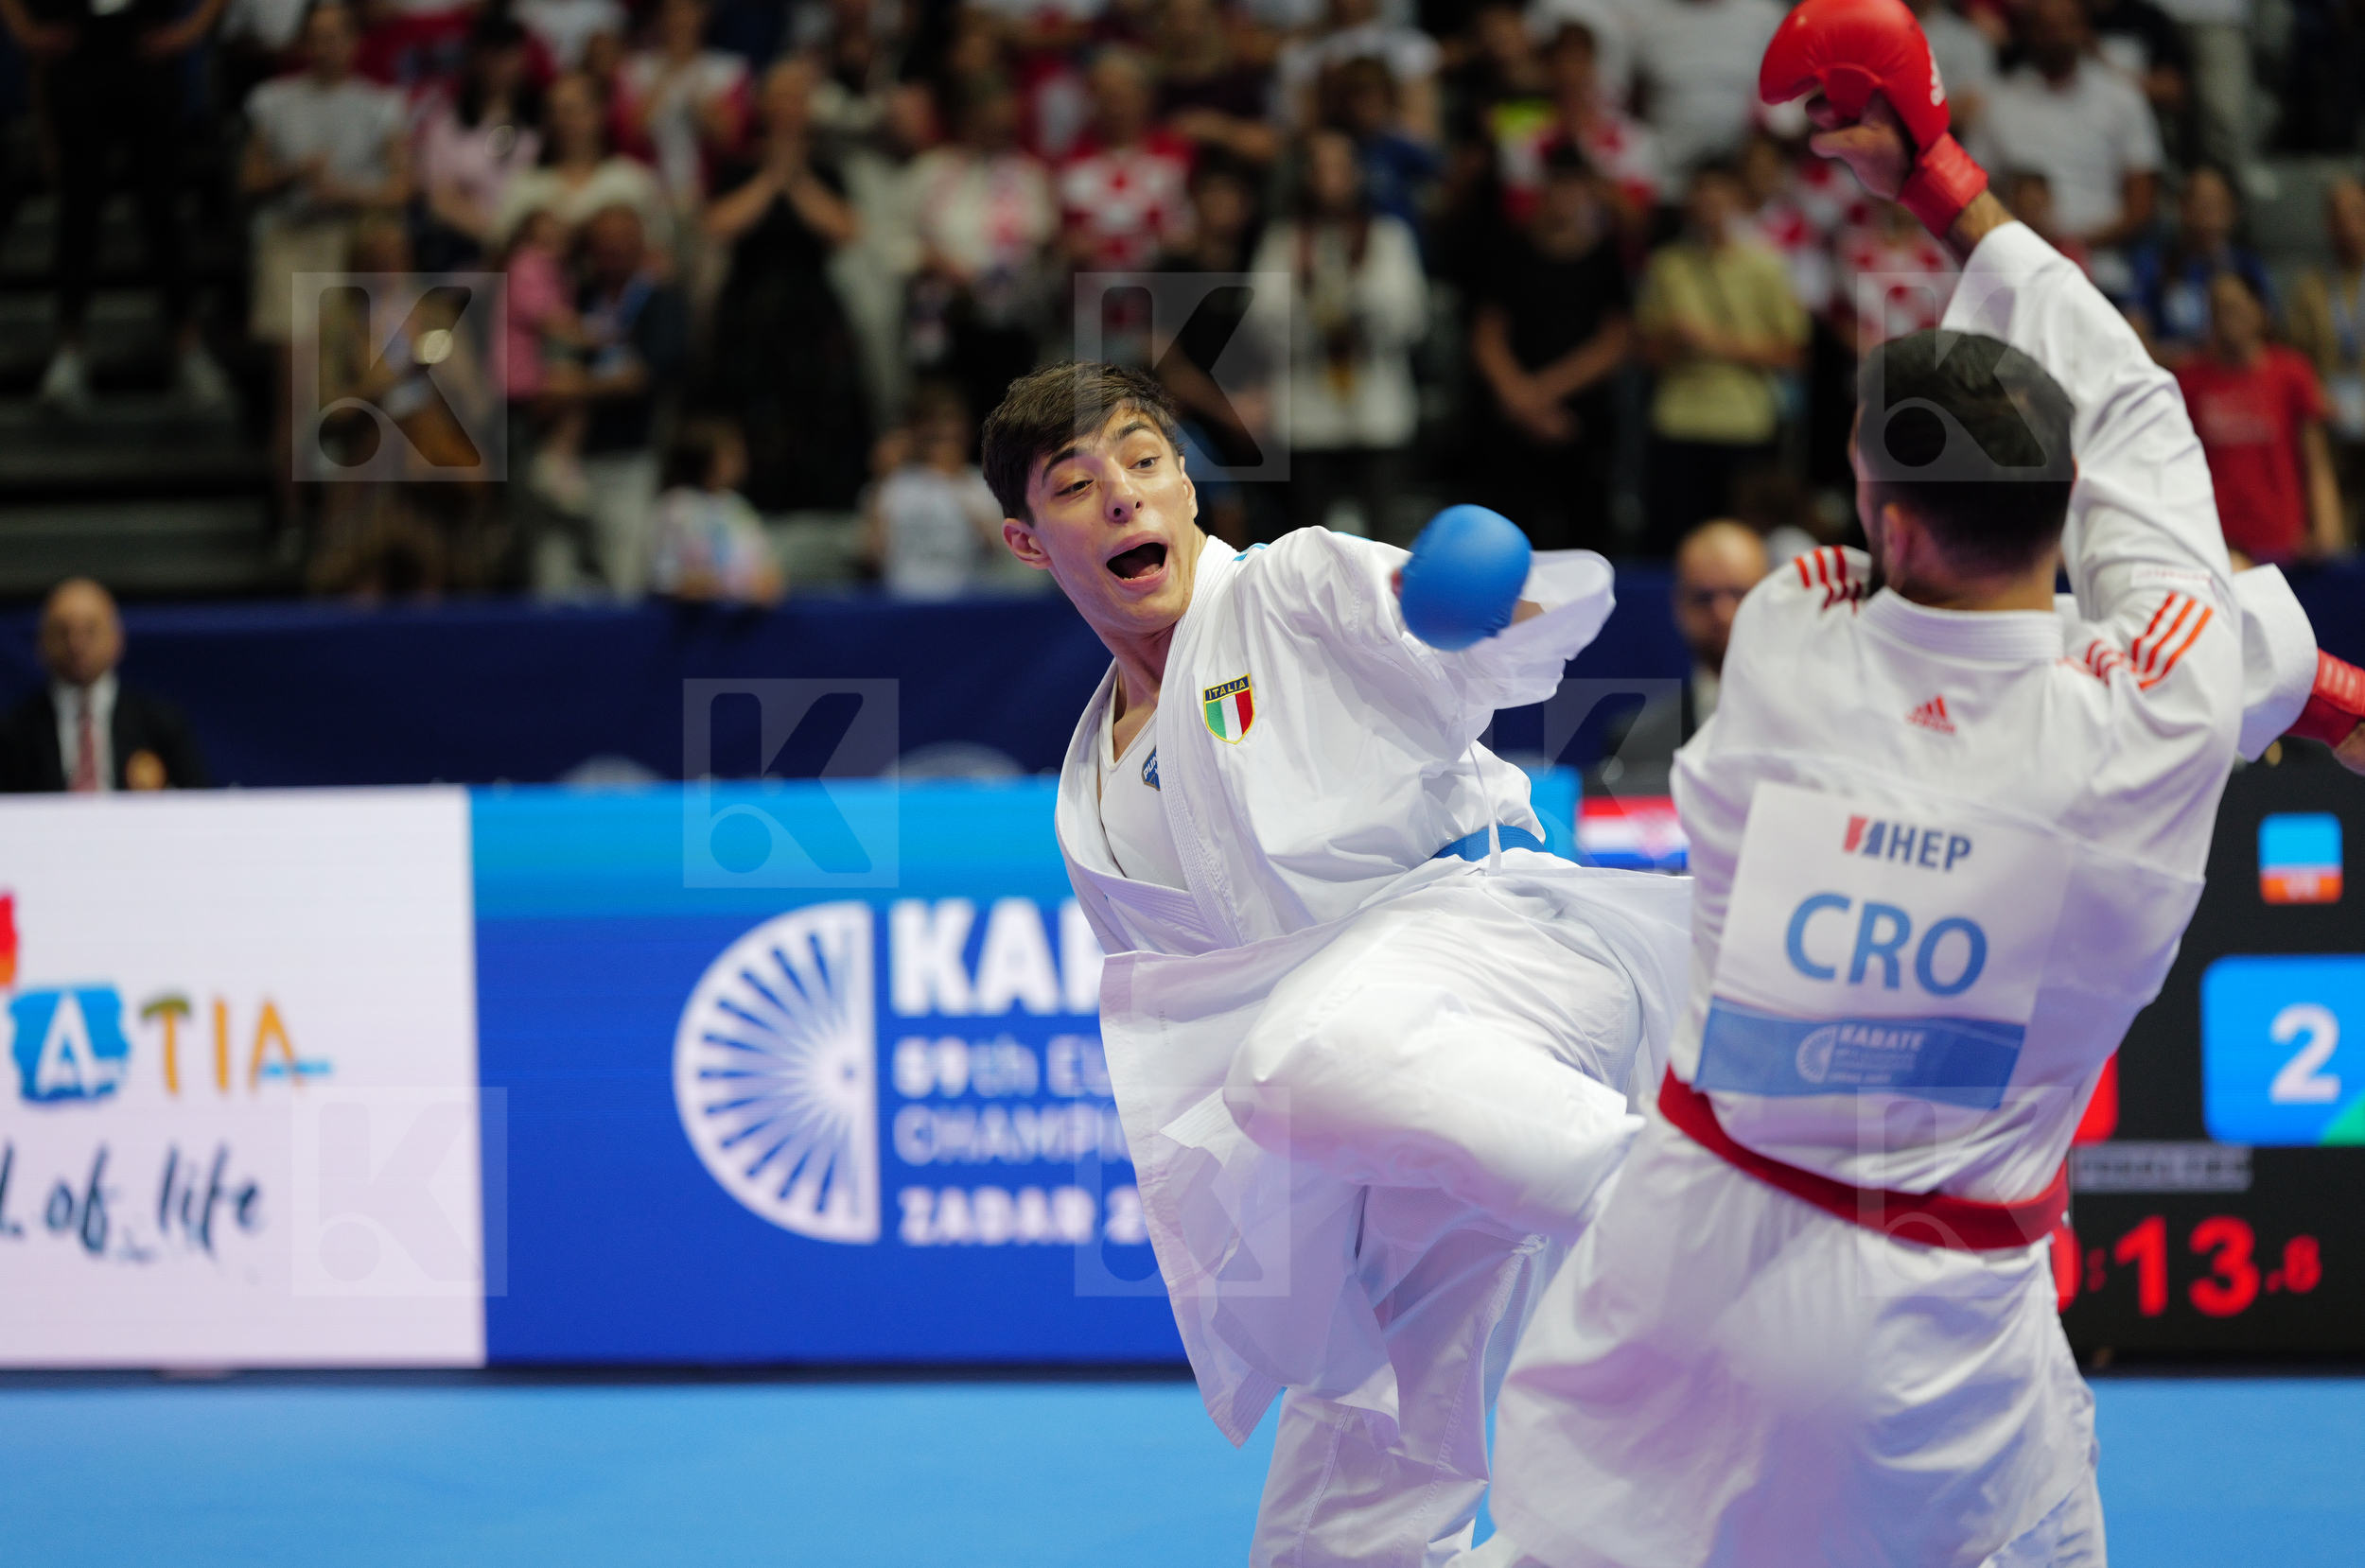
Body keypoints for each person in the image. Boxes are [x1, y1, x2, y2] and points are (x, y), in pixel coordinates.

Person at [1476, 9, 2363, 1563]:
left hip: (1676, 1254)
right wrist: (1944, 172)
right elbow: (2138, 421)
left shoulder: (1783, 630)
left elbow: (2092, 517)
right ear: (2059, 504)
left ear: (1880, 518)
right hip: (1919, 1327)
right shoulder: (2155, 707)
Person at [985, 360, 1692, 1568]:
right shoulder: (1087, 789)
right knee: (1332, 1532)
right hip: (1390, 1103)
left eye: (1145, 461)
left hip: (1494, 953)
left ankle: (1713, 1216)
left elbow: (1432, 626)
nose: (1122, 496)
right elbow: (1199, 1021)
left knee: (1299, 1056)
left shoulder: (1293, 585)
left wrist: (1460, 609)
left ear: (1189, 489)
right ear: (1024, 539)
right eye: (1076, 483)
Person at [703, 57, 869, 516]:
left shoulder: (824, 169)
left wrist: (795, 179)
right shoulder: (739, 166)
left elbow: (845, 229)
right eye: (778, 98)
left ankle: (819, 507)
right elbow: (718, 224)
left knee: (819, 416)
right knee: (750, 415)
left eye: (796, 99)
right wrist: (770, 176)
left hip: (809, 311)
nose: (787, 109)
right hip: (750, 308)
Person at [1246, 128, 1428, 538]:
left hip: (1377, 404)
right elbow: (1260, 321)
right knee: (1308, 539)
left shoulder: (1387, 236)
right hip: (1307, 407)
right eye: (1321, 169)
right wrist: (1311, 311)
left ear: (1358, 175)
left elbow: (1412, 319)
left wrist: (1359, 303)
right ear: (1306, 176)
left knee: (1384, 537)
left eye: (1341, 169)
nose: (1331, 181)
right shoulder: (1284, 240)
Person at [1637, 158, 1808, 550]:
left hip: (1744, 420)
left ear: (1737, 201)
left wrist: (1712, 343)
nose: (1709, 209)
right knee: (1673, 541)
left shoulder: (1766, 264)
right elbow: (1645, 354)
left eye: (1719, 199)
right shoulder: (1667, 265)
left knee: (1746, 543)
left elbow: (1794, 353)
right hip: (1678, 417)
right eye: (1701, 199)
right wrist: (1674, 341)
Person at [1469, 142, 1633, 551]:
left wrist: (1544, 393)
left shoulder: (1606, 257)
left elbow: (1614, 342)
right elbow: (1487, 334)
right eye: (1557, 185)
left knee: (1585, 537)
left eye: (1575, 187)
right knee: (1507, 537)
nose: (1565, 196)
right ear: (1542, 189)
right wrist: (1522, 398)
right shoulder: (1509, 250)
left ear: (1590, 192)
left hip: (1581, 418)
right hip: (1514, 418)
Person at [1971, 0, 2159, 276]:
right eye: (2046, 27)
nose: (2056, 36)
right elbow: (1975, 195)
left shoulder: (2122, 99)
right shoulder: (1998, 103)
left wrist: (2075, 245)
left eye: (2065, 26)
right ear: (2028, 32)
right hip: (2018, 263)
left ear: (2084, 30)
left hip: (2102, 263)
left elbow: (2142, 204)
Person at [2177, 270, 2348, 566]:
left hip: (2283, 543)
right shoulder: (2189, 381)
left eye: (2235, 307)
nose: (2226, 318)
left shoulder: (2292, 373)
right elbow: (2178, 468)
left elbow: (2316, 462)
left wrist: (2326, 530)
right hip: (2215, 542)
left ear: (2260, 311)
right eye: (2217, 310)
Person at [1596, 519, 1767, 792]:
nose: (1722, 612)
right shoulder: (1635, 742)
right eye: (1704, 597)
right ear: (1679, 606)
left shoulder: (1814, 729)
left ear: (1770, 598)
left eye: (1739, 593)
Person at [2, 580, 208, 793]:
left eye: (90, 630)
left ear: (116, 637)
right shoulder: (13, 732)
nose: (76, 644)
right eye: (63, 631)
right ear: (42, 642)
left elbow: (198, 806)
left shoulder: (161, 724)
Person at [412, 9, 545, 268]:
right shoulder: (447, 124)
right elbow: (439, 199)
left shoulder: (541, 122)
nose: (501, 65)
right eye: (492, 54)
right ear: (476, 58)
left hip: (536, 246)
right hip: (468, 246)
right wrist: (496, 237)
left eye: (509, 54)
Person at [496, 71, 674, 253]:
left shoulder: (632, 180)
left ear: (599, 112)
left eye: (572, 111)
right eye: (555, 112)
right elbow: (499, 251)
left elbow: (660, 254)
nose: (563, 121)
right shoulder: (527, 185)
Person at [862, 384, 1005, 597]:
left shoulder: (982, 483)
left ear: (966, 431)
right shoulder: (896, 483)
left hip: (965, 600)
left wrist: (956, 484)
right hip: (903, 599)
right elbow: (870, 556)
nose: (944, 432)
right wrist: (881, 483)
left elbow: (995, 549)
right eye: (934, 425)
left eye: (951, 423)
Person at [2126, 164, 2271, 366]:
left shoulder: (2246, 267)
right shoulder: (2155, 263)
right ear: (2182, 208)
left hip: (2234, 376)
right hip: (2174, 375)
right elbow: (2134, 331)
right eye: (2201, 205)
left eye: (2216, 205)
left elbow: (2269, 333)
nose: (2209, 215)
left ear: (2232, 211)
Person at [1622, 0, 1786, 175]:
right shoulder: (1641, 15)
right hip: (1664, 168)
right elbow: (1627, 99)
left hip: (1745, 172)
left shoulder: (1765, 15)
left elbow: (1789, 98)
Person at [2286, 176, 2365, 534]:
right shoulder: (2310, 289)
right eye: (2340, 216)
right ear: (2327, 225)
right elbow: (2293, 358)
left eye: (2358, 213)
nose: (2350, 225)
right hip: (2328, 426)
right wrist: (2315, 397)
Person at [649, 419, 785, 603]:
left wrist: (767, 581)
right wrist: (688, 584)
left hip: (738, 622)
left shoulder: (738, 508)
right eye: (732, 455)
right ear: (706, 460)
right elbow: (662, 574)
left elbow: (763, 564)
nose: (742, 462)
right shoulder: (676, 507)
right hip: (690, 622)